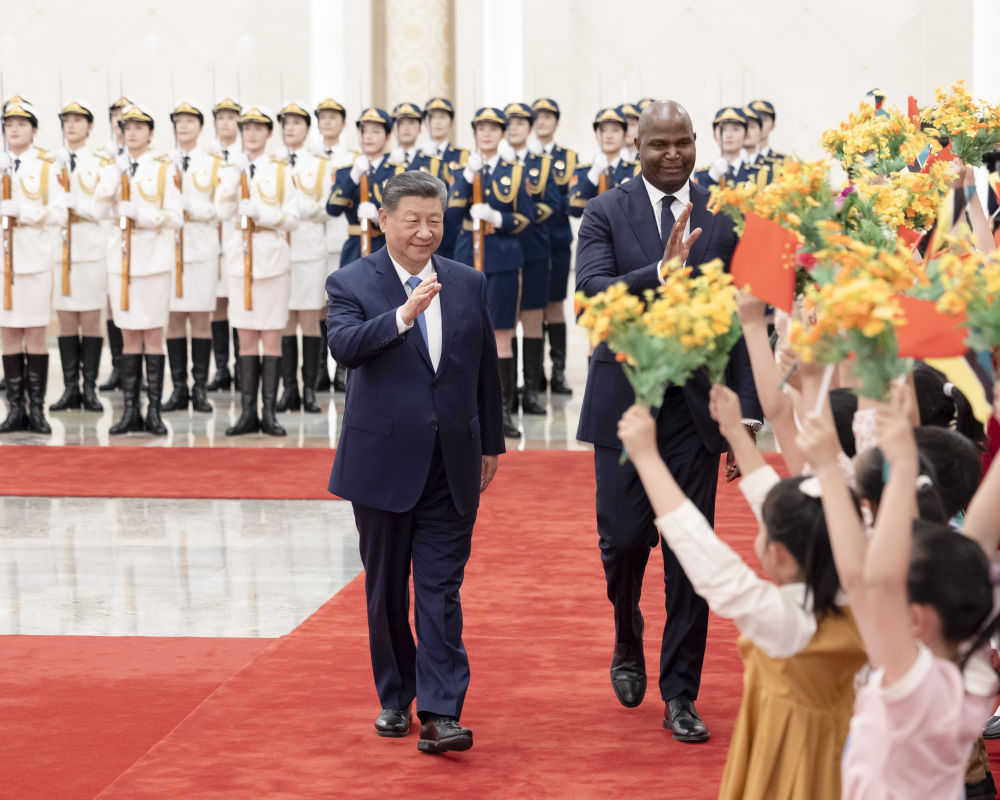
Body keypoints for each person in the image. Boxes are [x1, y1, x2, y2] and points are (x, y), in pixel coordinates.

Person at [575, 99, 761, 742]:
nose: (673, 154)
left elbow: (743, 320)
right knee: (625, 541)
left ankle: (681, 693)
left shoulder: (722, 217)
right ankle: (626, 632)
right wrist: (660, 272)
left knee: (691, 552)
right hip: (624, 405)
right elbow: (591, 295)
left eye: (683, 142)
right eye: (659, 144)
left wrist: (747, 418)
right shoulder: (604, 211)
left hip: (694, 412)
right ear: (638, 148)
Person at [325, 170, 505, 754]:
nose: (425, 232)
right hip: (381, 463)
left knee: (439, 588)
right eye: (412, 221)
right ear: (384, 220)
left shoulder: (468, 281)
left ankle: (441, 712)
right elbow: (345, 347)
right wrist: (403, 316)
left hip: (451, 461)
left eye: (435, 221)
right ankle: (395, 697)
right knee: (385, 591)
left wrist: (490, 442)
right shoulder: (351, 280)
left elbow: (484, 369)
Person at [617, 384, 866, 798]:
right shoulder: (868, 595)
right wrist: (735, 430)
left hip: (796, 773)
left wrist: (646, 457)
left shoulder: (785, 621)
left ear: (778, 554)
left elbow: (703, 552)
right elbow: (771, 495)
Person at [800, 384, 1000, 800]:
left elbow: (869, 580)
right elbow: (979, 529)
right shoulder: (973, 673)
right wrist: (898, 461)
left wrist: (896, 463)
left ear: (915, 617)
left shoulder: (909, 683)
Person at [446, 106, 536, 439]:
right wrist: (467, 178)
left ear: (502, 134)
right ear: (474, 133)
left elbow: (526, 217)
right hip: (466, 261)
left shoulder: (515, 173)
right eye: (480, 128)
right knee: (464, 334)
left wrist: (499, 219)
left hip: (502, 261)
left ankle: (501, 413)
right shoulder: (461, 171)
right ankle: (465, 408)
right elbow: (449, 215)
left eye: (493, 128)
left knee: (501, 336)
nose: (486, 133)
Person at [95, 103, 182, 436]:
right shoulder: (112, 167)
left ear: (151, 133)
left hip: (154, 262)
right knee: (129, 337)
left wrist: (141, 216)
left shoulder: (163, 169)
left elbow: (175, 218)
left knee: (153, 337)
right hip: (122, 264)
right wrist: (112, 182)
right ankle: (131, 411)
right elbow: (98, 211)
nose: (131, 133)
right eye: (126, 127)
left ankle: (154, 413)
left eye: (138, 128)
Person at [215, 104, 299, 437]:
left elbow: (292, 218)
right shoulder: (231, 169)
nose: (251, 133)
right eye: (246, 128)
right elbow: (221, 211)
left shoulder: (281, 171)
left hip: (271, 257)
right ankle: (248, 413)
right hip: (240, 259)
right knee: (246, 338)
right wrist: (232, 181)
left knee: (271, 336)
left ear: (268, 133)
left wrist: (262, 214)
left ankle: (269, 414)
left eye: (258, 128)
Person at [0, 99, 63, 434]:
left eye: (21, 124)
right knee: (9, 333)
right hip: (2, 263)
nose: (14, 129)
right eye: (9, 124)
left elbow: (60, 212)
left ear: (34, 130)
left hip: (35, 259)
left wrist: (23, 212)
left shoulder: (47, 166)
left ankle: (36, 410)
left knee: (35, 334)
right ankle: (15, 410)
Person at [162, 101, 220, 415]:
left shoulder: (213, 164)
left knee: (199, 319)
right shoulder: (162, 163)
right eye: (178, 121)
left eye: (189, 121)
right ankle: (178, 388)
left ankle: (199, 389)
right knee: (173, 319)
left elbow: (221, 208)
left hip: (201, 248)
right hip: (169, 250)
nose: (183, 126)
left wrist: (191, 208)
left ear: (200, 127)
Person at [501, 101, 559, 418]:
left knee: (534, 319)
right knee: (505, 322)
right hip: (503, 251)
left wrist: (520, 214)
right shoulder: (496, 164)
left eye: (521, 123)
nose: (514, 128)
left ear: (530, 127)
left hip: (534, 249)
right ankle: (508, 394)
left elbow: (553, 204)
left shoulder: (542, 165)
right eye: (509, 123)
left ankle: (532, 392)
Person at [49, 100, 105, 413]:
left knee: (91, 320)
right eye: (67, 121)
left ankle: (89, 388)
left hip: (90, 248)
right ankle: (70, 388)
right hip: (60, 250)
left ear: (90, 126)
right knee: (67, 320)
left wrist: (77, 206)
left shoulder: (100, 163)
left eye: (77, 120)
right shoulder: (51, 162)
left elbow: (104, 208)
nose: (71, 125)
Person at [274, 101, 329, 414]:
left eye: (296, 123)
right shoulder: (272, 163)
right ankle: (289, 390)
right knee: (284, 320)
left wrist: (296, 209)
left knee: (308, 318)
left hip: (309, 250)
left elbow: (326, 208)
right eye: (286, 123)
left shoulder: (319, 164)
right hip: (279, 250)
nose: (290, 128)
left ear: (307, 129)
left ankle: (309, 390)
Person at [530, 98, 575, 397]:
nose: (542, 122)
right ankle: (535, 375)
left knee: (555, 305)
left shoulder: (567, 158)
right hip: (531, 240)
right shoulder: (524, 158)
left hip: (557, 239)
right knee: (533, 307)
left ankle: (558, 372)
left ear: (556, 122)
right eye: (538, 117)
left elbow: (572, 197)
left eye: (548, 117)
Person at [326, 107, 406, 267]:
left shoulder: (398, 172)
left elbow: (404, 214)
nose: (368, 137)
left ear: (387, 136)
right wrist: (354, 176)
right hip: (354, 251)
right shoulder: (346, 173)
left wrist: (379, 218)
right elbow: (332, 209)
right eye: (363, 131)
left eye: (375, 132)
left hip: (387, 249)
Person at [312, 97, 354, 392]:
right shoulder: (306, 157)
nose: (327, 122)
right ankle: (318, 370)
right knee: (316, 305)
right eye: (323, 117)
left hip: (342, 239)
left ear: (343, 123)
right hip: (312, 239)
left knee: (339, 304)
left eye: (333, 117)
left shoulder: (353, 158)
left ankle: (341, 368)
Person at [205, 96, 243, 394]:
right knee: (217, 304)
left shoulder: (246, 155)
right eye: (221, 117)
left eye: (231, 117)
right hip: (210, 238)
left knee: (240, 303)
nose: (226, 123)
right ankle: (221, 368)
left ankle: (243, 367)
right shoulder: (205, 156)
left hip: (238, 236)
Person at [98, 95, 133, 393]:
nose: (121, 123)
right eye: (116, 118)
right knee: (112, 306)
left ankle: (135, 369)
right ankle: (117, 366)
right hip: (109, 236)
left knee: (136, 305)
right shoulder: (101, 157)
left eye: (126, 117)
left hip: (138, 238)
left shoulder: (148, 157)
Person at [568, 106, 641, 215]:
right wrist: (593, 175)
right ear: (596, 135)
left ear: (624, 134)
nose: (608, 136)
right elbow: (574, 210)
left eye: (615, 130)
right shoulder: (582, 172)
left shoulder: (636, 170)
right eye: (603, 130)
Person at [692, 107, 753, 188]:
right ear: (714, 135)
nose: (729, 135)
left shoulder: (758, 173)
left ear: (746, 135)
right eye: (723, 130)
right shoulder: (703, 175)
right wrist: (711, 179)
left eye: (736, 129)